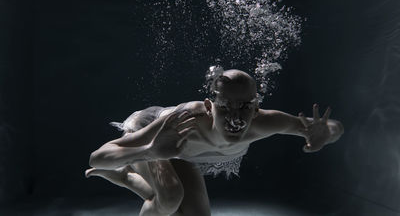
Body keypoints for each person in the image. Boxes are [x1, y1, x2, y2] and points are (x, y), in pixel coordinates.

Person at [85, 69, 344, 216]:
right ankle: (127, 173)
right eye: (225, 107)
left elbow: (334, 126)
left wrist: (327, 134)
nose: (235, 117)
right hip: (158, 134)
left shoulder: (267, 122)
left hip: (180, 151)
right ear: (210, 107)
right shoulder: (185, 121)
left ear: (256, 108)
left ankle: (126, 177)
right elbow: (97, 157)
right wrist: (149, 150)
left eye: (244, 107)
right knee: (171, 199)